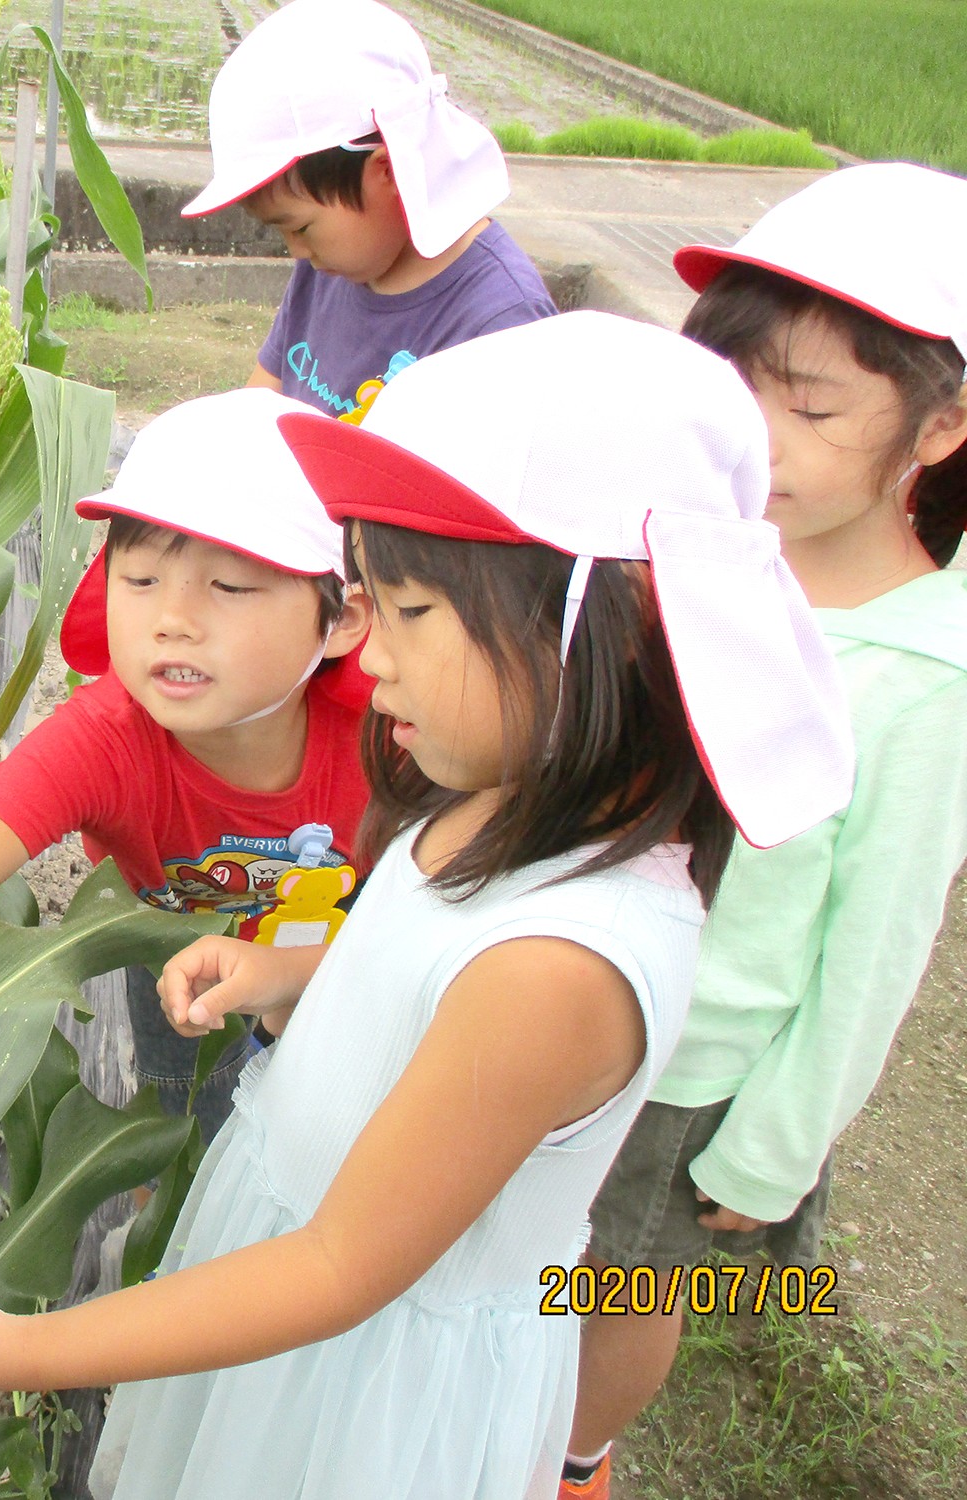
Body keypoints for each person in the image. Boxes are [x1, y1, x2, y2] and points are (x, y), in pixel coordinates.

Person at [0, 312, 855, 1500]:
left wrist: (5, 1351)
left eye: (408, 616)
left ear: (602, 632)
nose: (371, 664)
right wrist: (296, 975)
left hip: (349, 1389)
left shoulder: (562, 968)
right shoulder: (489, 796)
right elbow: (418, 968)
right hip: (284, 1308)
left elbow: (335, 1266)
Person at [562, 163, 967, 1500]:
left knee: (615, 1286)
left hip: (695, 1065)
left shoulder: (922, 677)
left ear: (941, 425)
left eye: (810, 404)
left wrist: (777, 1143)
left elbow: (880, 938)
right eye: (736, 390)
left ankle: (572, 1459)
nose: (761, 435)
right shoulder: (705, 549)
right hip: (576, 994)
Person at [0, 388, 374, 1143]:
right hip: (177, 969)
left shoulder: (395, 739)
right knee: (185, 1122)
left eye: (230, 586)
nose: (174, 620)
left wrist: (300, 976)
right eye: (141, 580)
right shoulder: (107, 739)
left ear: (342, 622)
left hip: (360, 966)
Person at [182, 0, 556, 421]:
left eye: (301, 227)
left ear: (389, 171)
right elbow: (253, 416)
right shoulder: (328, 271)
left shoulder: (500, 321)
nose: (297, 252)